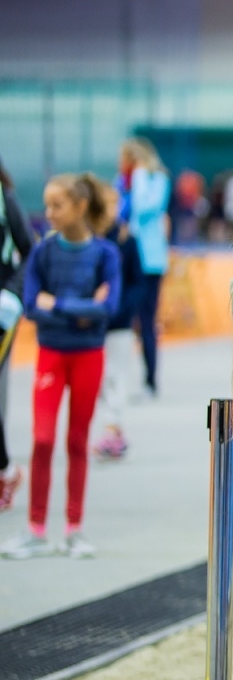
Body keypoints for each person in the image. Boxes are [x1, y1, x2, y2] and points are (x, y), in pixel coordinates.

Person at [2, 173, 121, 561]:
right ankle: (36, 528)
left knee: (76, 441)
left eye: (57, 206)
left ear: (81, 207)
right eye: (48, 205)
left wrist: (61, 305)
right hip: (52, 354)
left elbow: (108, 308)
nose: (48, 213)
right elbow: (33, 305)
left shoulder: (105, 254)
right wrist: (80, 308)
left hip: (88, 355)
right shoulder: (43, 252)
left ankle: (74, 528)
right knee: (42, 439)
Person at [92, 182, 146, 462]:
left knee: (115, 375)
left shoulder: (127, 240)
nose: (110, 211)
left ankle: (113, 429)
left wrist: (122, 309)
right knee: (99, 380)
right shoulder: (90, 241)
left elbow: (138, 283)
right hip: (93, 322)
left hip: (120, 322)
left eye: (114, 205)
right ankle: (111, 427)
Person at [119, 137, 170, 398]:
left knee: (146, 322)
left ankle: (150, 380)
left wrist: (137, 178)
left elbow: (143, 209)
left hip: (147, 261)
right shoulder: (131, 183)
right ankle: (126, 381)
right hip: (137, 259)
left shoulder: (151, 179)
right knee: (133, 322)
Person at [0, 155, 35, 510]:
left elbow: (29, 251)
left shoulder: (5, 199)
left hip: (1, 313)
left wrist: (11, 294)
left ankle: (6, 471)